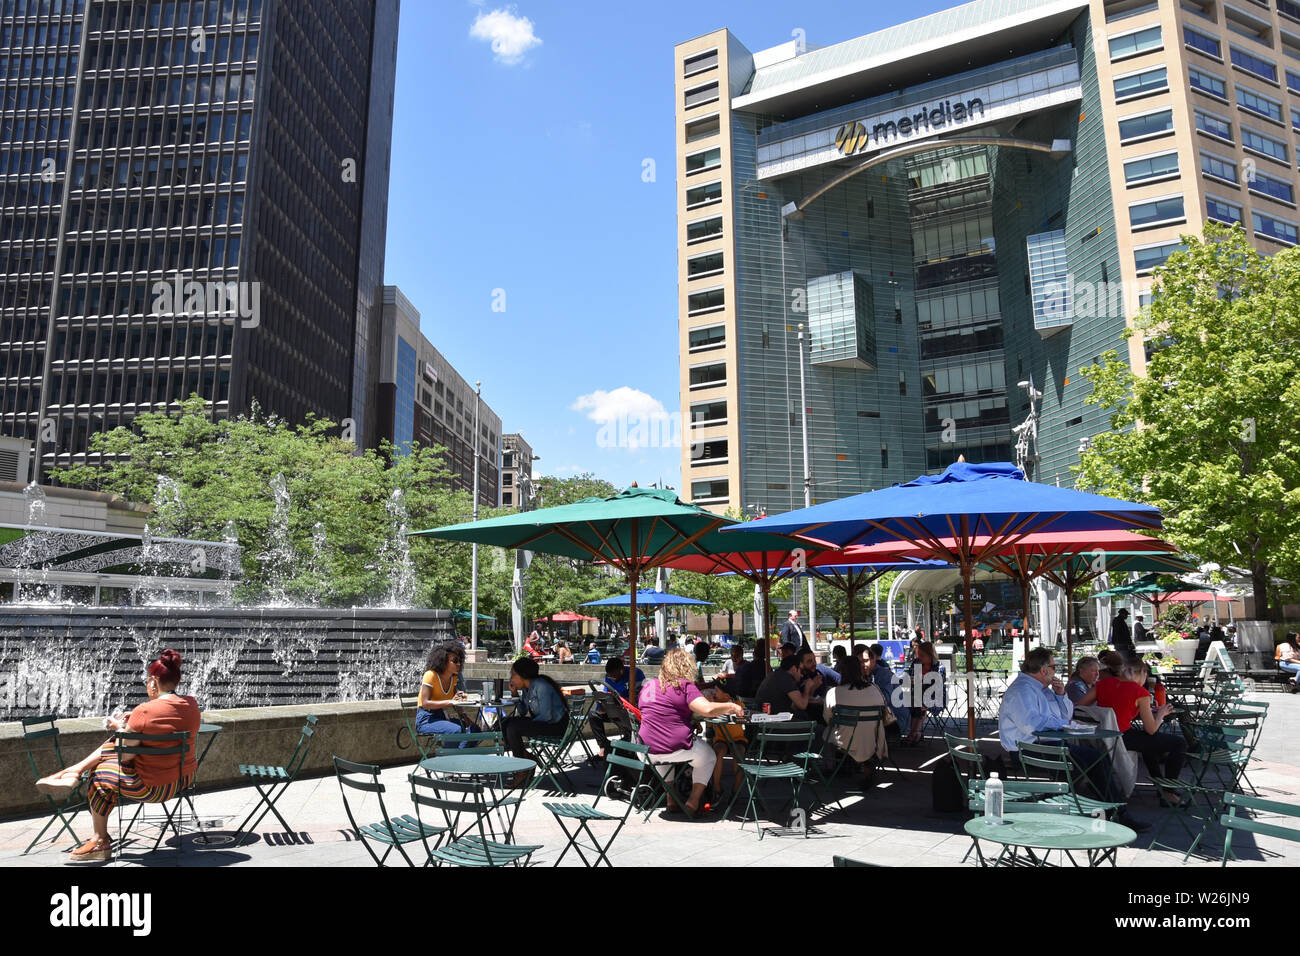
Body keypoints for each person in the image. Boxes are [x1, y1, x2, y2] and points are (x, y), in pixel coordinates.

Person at [35, 649, 200, 862]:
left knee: (99, 775)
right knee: (120, 741)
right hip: (181, 781)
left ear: (153, 681)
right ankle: (73, 772)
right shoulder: (192, 705)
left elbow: (124, 757)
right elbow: (166, 721)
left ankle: (99, 839)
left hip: (153, 788)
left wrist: (120, 727)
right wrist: (131, 726)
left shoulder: (145, 710)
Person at [637, 648, 743, 816]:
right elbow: (707, 709)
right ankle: (693, 801)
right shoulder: (684, 685)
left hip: (645, 750)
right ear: (687, 667)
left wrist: (689, 720)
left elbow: (660, 713)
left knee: (664, 758)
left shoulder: (649, 685)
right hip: (675, 746)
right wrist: (731, 706)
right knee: (709, 757)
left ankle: (671, 799)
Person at [1081, 660, 1186, 806]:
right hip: (1122, 737)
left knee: (1149, 744)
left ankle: (1162, 788)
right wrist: (1161, 714)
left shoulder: (1102, 684)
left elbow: (1079, 707)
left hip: (1101, 735)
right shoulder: (1140, 692)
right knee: (1178, 743)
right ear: (1142, 672)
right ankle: (1169, 792)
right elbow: (1151, 729)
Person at [500, 657, 568, 787]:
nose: (511, 678)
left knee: (514, 727)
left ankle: (523, 768)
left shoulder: (541, 686)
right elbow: (523, 711)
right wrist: (515, 693)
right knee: (505, 723)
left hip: (555, 726)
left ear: (523, 675)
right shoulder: (527, 688)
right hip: (544, 722)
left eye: (513, 674)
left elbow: (546, 716)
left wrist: (525, 724)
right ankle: (527, 758)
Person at [823, 656, 890, 771]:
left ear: (841, 672)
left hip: (844, 740)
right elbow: (886, 716)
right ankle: (863, 762)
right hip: (873, 739)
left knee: (824, 732)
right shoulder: (875, 689)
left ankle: (830, 768)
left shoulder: (833, 693)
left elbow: (828, 719)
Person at [415, 642, 480, 739]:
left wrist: (465, 717)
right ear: (443, 661)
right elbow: (425, 703)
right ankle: (447, 754)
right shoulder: (430, 675)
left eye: (460, 661)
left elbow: (455, 701)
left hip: (441, 716)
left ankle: (459, 753)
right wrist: (450, 701)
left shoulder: (453, 678)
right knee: (456, 730)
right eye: (455, 660)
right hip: (426, 719)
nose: (458, 664)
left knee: (475, 730)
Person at [588, 657, 643, 758]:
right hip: (613, 710)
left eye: (614, 675)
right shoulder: (608, 678)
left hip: (629, 711)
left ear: (621, 670)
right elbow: (606, 693)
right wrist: (602, 704)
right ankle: (603, 746)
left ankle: (627, 744)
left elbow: (639, 694)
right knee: (593, 715)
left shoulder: (636, 673)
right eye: (609, 676)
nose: (612, 678)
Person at [755, 654, 819, 720]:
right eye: (801, 671)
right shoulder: (786, 679)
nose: (802, 675)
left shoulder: (777, 675)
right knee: (820, 728)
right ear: (794, 669)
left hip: (769, 721)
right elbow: (802, 705)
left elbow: (794, 705)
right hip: (777, 724)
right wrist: (807, 688)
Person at [867, 643, 910, 737]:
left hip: (893, 721)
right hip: (881, 719)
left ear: (873, 659)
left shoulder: (884, 674)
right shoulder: (869, 674)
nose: (862, 665)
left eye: (865, 661)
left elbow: (883, 700)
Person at [906, 641, 939, 745]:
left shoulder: (937, 666)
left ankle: (914, 733)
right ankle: (916, 733)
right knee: (915, 701)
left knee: (919, 702)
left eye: (922, 655)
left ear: (930, 655)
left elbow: (938, 685)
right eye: (918, 655)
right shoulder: (916, 662)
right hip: (917, 692)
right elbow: (910, 676)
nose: (919, 657)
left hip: (933, 695)